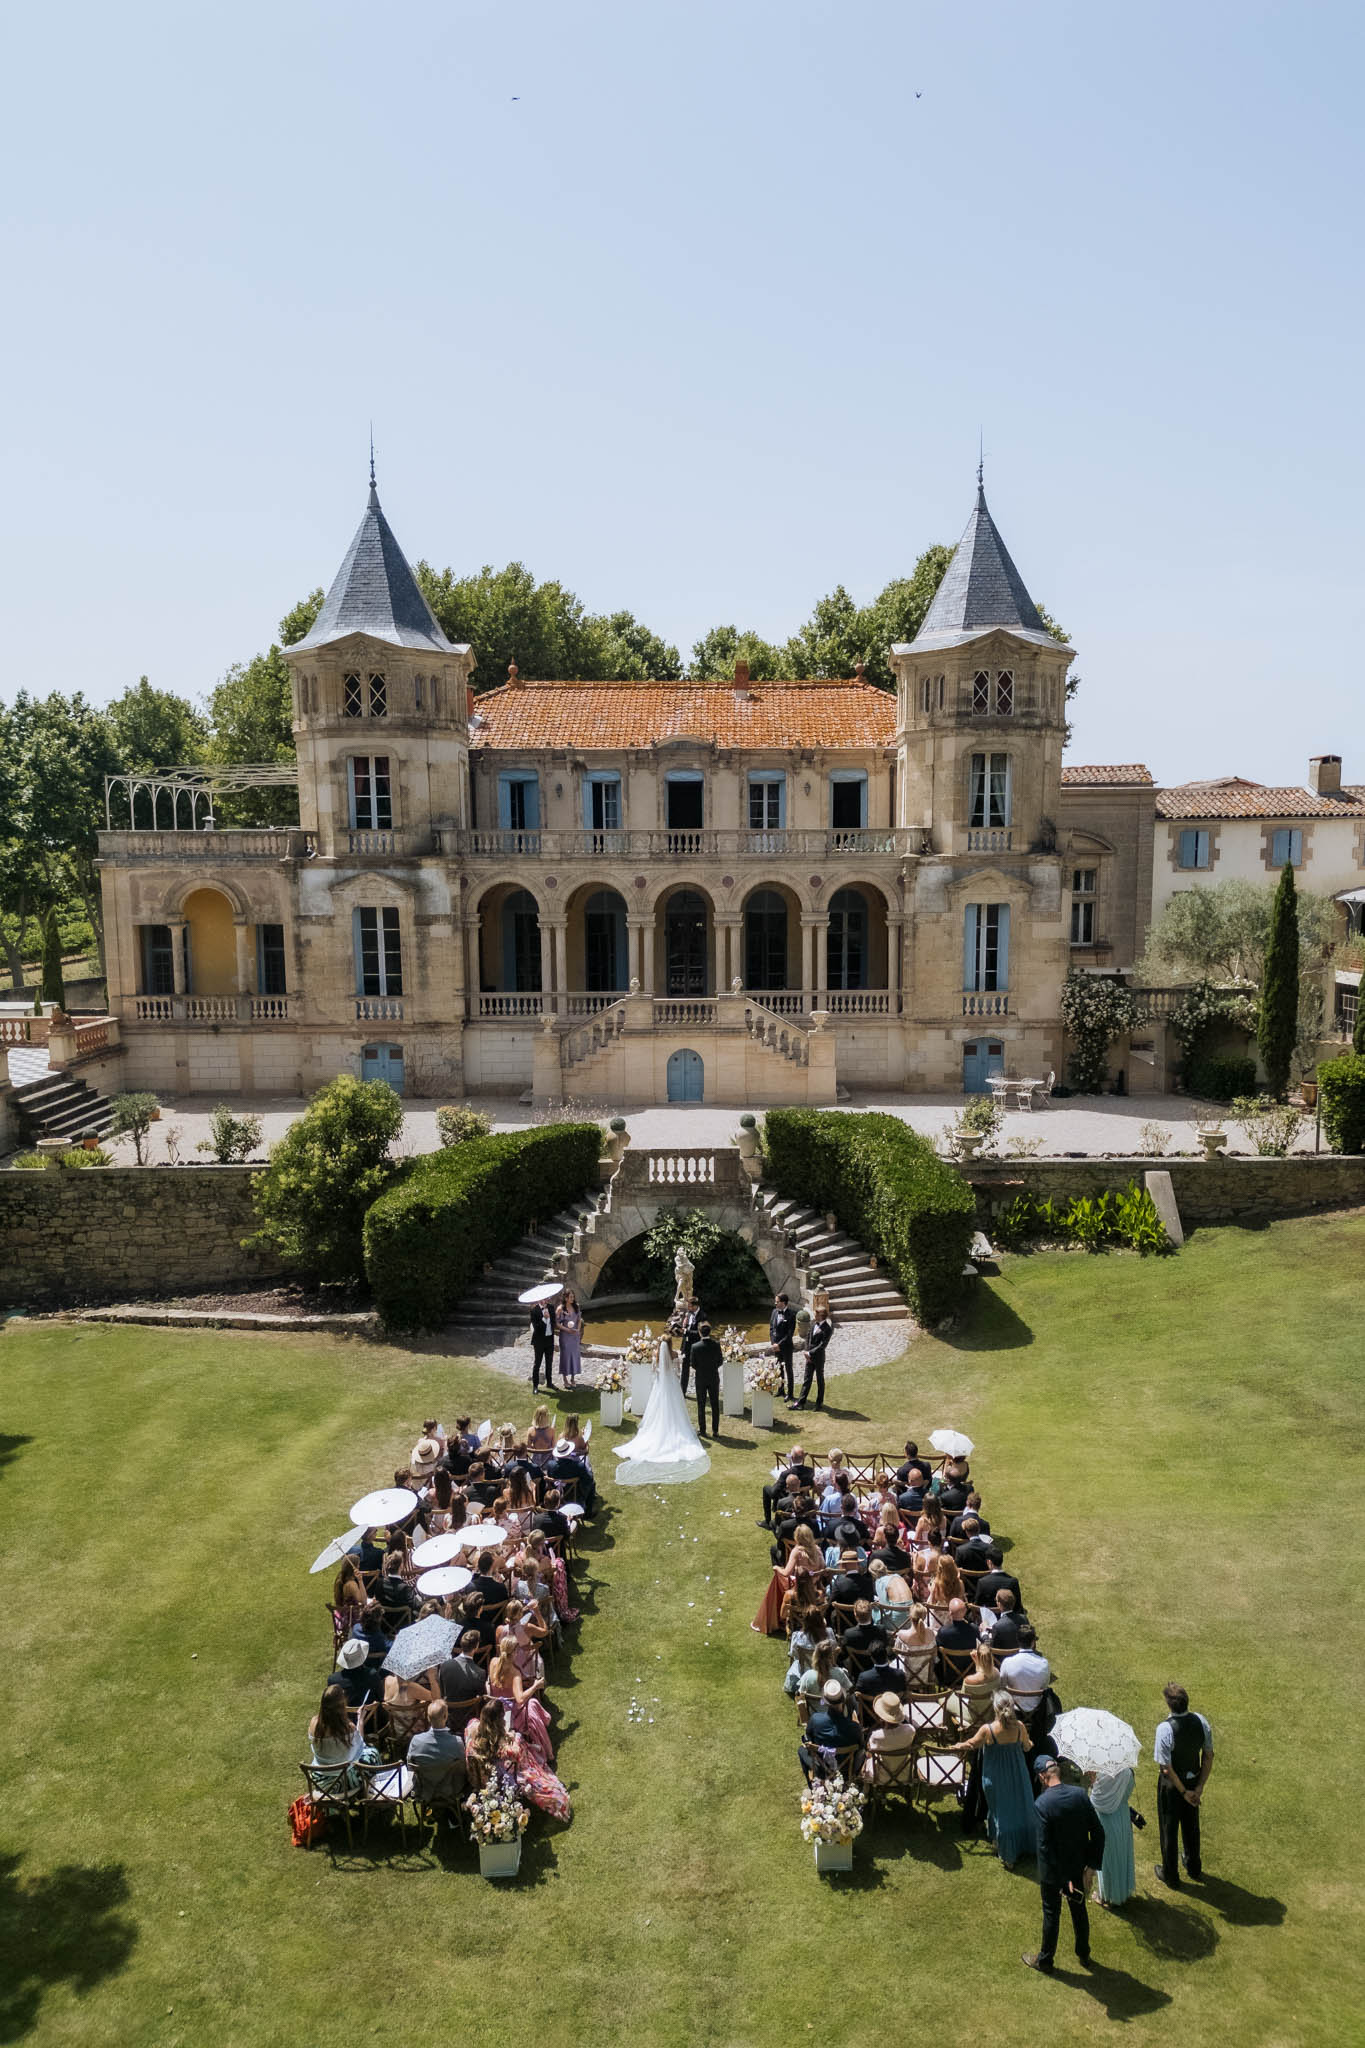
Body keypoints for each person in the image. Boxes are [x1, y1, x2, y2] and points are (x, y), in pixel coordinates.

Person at [1024, 1756, 1106, 1972]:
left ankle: (1045, 1960)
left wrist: (1062, 1881)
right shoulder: (1080, 1795)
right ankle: (1084, 1954)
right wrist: (1090, 1867)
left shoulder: (1042, 1804)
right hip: (1078, 1867)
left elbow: (1045, 1849)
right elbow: (1098, 1832)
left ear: (1042, 1776)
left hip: (1054, 1874)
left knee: (1052, 1913)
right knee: (1079, 1911)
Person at [947, 1690, 1035, 1868]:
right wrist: (1029, 1743)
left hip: (994, 1776)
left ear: (995, 1709)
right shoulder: (1019, 1727)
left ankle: (1007, 1854)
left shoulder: (987, 1730)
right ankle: (1022, 1845)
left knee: (1000, 1812)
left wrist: (956, 1745)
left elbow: (971, 1744)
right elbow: (1026, 1747)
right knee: (1019, 1808)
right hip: (1018, 1773)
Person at [613, 1334, 710, 1484]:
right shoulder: (675, 1354)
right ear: (671, 1343)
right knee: (675, 1409)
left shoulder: (656, 1354)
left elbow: (654, 1370)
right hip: (672, 1386)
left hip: (660, 1386)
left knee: (658, 1410)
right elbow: (677, 1372)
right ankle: (674, 1429)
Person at [465, 1697, 571, 1821]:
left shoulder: (472, 1728)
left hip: (480, 1777)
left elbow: (473, 1725)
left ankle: (536, 1749)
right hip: (500, 1780)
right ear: (500, 1720)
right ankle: (540, 1759)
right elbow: (517, 1755)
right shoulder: (502, 1746)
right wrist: (515, 1736)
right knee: (524, 1751)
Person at [1153, 1681, 1214, 1886]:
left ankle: (1170, 1875)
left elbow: (1166, 1768)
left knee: (1169, 1828)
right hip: (1193, 1781)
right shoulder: (1201, 1721)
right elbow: (1208, 1755)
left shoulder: (1164, 1729)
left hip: (1172, 1788)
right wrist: (1198, 1788)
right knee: (1191, 1826)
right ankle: (1193, 1866)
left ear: (1169, 1705)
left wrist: (1183, 1791)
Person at [1089, 1765, 1137, 1907]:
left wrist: (1093, 1783)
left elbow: (1097, 1801)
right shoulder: (1129, 1772)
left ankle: (1105, 1896)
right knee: (1121, 1854)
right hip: (1122, 1817)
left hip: (1106, 1821)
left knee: (1107, 1858)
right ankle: (1121, 1892)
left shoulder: (1103, 1775)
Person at [406, 1699, 467, 1811]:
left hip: (424, 1789)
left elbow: (410, 1767)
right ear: (445, 1717)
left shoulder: (416, 1741)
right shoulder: (457, 1742)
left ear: (428, 1718)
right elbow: (463, 1769)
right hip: (451, 1789)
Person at [799, 1677, 863, 1778]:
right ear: (843, 1699)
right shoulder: (854, 1727)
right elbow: (861, 1746)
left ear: (825, 1700)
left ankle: (813, 1783)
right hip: (847, 1770)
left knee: (801, 1750)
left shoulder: (815, 1720)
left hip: (823, 1767)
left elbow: (809, 1738)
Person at [308, 1685, 374, 1772]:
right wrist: (360, 1720)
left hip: (320, 1776)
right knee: (373, 1753)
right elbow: (360, 1747)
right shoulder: (348, 1727)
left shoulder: (314, 1723)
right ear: (342, 1705)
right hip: (345, 1777)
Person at [864, 1692, 917, 1784]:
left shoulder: (876, 1736)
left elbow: (869, 1753)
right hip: (905, 1774)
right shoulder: (910, 1730)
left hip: (881, 1776)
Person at [759, 1450, 815, 1530]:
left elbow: (774, 1492)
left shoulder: (786, 1474)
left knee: (766, 1488)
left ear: (791, 1458)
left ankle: (767, 1521)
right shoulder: (810, 1471)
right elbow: (812, 1485)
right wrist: (802, 1488)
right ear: (803, 1458)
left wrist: (778, 1482)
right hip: (803, 1495)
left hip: (788, 1497)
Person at [438, 1629, 489, 1715]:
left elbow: (441, 1692)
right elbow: (482, 1700)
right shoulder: (480, 1673)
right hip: (469, 1718)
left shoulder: (445, 1665)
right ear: (476, 1647)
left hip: (448, 1717)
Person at [326, 1634, 382, 1710]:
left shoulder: (333, 1680)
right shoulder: (372, 1675)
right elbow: (380, 1698)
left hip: (342, 1720)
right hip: (370, 1719)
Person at [689, 1320, 723, 1439]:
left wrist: (701, 1369)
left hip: (701, 1378)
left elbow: (693, 1364)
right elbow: (720, 1361)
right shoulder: (716, 1345)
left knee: (701, 1404)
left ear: (699, 1333)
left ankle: (702, 1430)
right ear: (710, 1332)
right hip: (713, 1377)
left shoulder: (695, 1347)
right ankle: (715, 1430)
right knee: (715, 1405)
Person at [794, 1309, 832, 1411]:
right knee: (807, 1379)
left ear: (822, 1315)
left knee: (820, 1380)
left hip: (818, 1358)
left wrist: (810, 1353)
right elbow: (807, 1338)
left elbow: (822, 1345)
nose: (814, 1315)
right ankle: (801, 1403)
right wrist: (806, 1351)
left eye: (816, 1314)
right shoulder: (813, 1324)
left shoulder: (828, 1329)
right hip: (809, 1357)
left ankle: (819, 1403)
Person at [936, 1598, 979, 1685]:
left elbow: (937, 1652)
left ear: (950, 1613)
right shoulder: (974, 1629)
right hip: (970, 1674)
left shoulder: (943, 1632)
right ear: (965, 1611)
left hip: (949, 1676)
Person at [770, 1292, 798, 1403]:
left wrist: (779, 1344)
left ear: (783, 1303)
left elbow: (789, 1334)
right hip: (776, 1347)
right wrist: (773, 1343)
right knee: (779, 1369)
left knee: (788, 1369)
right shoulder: (774, 1312)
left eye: (777, 1301)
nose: (775, 1303)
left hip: (786, 1347)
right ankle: (781, 1390)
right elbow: (771, 1329)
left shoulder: (791, 1315)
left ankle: (790, 1394)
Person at [555, 1290, 583, 1384]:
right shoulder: (560, 1309)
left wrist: (578, 1330)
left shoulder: (576, 1306)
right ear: (566, 1298)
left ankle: (573, 1378)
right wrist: (567, 1330)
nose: (572, 1298)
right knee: (566, 1356)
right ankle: (565, 1379)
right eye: (570, 1297)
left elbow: (579, 1320)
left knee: (574, 1356)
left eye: (573, 1297)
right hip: (565, 1336)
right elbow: (557, 1323)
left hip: (575, 1335)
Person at [529, 1298, 557, 1391]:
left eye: (545, 1298)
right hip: (539, 1341)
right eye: (541, 1299)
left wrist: (550, 1320)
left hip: (549, 1340)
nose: (543, 1300)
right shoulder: (534, 1310)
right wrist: (544, 1318)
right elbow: (536, 1328)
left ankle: (549, 1383)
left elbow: (554, 1323)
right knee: (537, 1363)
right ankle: (535, 1386)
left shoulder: (551, 1308)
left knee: (549, 1363)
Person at [677, 1295, 703, 1396]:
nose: (688, 1307)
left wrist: (687, 1331)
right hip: (686, 1346)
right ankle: (682, 1391)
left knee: (699, 1370)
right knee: (685, 1369)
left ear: (695, 1306)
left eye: (690, 1305)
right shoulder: (688, 1314)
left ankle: (700, 1391)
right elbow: (686, 1328)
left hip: (696, 1347)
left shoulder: (703, 1316)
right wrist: (684, 1326)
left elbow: (700, 1333)